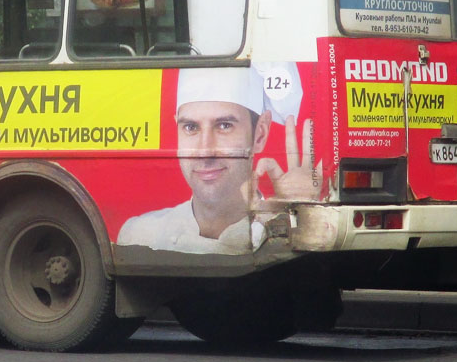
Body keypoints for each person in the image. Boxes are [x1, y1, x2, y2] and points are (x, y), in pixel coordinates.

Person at [117, 65, 320, 254]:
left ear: (260, 134)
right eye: (191, 127)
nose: (205, 151)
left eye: (224, 126)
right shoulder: (139, 235)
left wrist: (305, 215)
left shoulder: (287, 229)